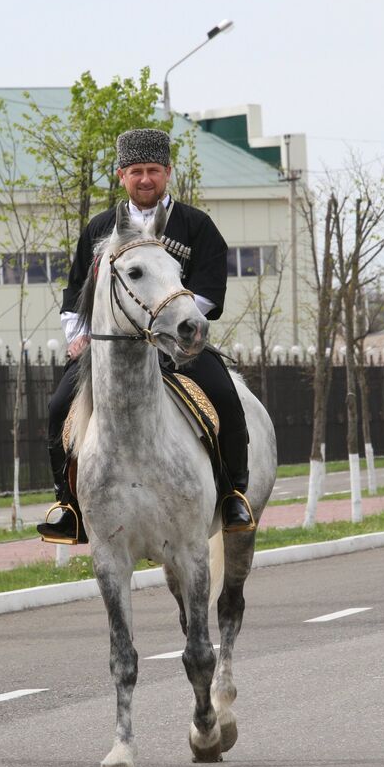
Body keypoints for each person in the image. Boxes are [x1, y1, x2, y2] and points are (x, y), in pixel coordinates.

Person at [37, 127, 253, 544]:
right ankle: (68, 504)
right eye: (135, 171)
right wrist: (79, 335)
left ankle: (232, 494)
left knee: (225, 396)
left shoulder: (197, 226)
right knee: (58, 405)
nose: (145, 179)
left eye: (153, 170)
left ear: (168, 173)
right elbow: (77, 293)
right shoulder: (100, 230)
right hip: (112, 351)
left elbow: (209, 291)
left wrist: (172, 326)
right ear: (121, 175)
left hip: (178, 347)